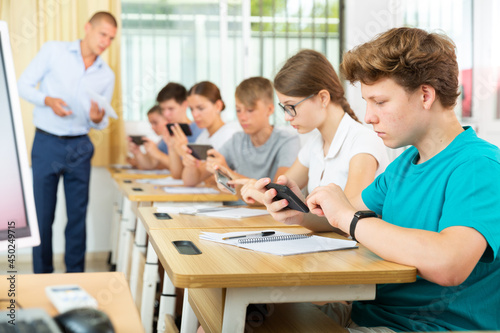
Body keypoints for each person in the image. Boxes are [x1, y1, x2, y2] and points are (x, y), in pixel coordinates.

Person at [263, 28, 500, 331]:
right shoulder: (404, 164)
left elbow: (449, 263)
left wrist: (350, 218)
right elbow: (343, 214)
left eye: (380, 102)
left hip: (421, 327)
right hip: (368, 315)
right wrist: (300, 214)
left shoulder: (478, 165)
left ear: (425, 95)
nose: (369, 116)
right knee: (238, 316)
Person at [17, 11, 118, 273]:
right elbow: (23, 85)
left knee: (77, 218)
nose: (106, 42)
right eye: (102, 34)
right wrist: (47, 100)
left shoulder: (106, 75)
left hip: (80, 146)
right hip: (47, 143)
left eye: (111, 38)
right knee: (42, 216)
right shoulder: (54, 51)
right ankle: (43, 276)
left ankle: (76, 277)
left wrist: (98, 119)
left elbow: (102, 121)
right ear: (88, 28)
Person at [239, 49, 389, 219]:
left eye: (291, 107)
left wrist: (299, 217)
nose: (287, 117)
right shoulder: (315, 143)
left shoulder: (362, 142)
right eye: (284, 108)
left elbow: (347, 218)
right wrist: (258, 189)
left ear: (323, 98)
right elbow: (277, 193)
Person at [205, 77, 300, 197]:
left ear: (270, 109)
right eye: (238, 110)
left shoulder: (287, 141)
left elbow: (277, 193)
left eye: (250, 110)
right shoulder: (237, 140)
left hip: (268, 214)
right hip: (241, 210)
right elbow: (207, 180)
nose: (242, 117)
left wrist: (228, 173)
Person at [180, 81, 241, 185]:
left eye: (200, 108)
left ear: (218, 106)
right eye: (191, 109)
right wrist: (189, 164)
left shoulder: (230, 135)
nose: (195, 114)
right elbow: (189, 181)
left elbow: (205, 177)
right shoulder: (203, 136)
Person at [135, 82, 203, 172]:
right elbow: (152, 164)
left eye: (171, 109)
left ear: (185, 105)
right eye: (163, 109)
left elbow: (192, 168)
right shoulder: (170, 131)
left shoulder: (199, 130)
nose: (166, 114)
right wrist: (137, 151)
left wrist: (158, 154)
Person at [126, 105, 169, 169]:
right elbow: (150, 165)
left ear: (168, 118)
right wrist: (137, 152)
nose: (152, 127)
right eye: (151, 123)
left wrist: (157, 153)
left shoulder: (178, 139)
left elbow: (157, 165)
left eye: (155, 122)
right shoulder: (162, 141)